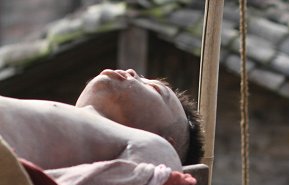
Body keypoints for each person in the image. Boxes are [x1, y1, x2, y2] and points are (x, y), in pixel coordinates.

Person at [0, 68, 204, 171]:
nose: (132, 72)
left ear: (165, 142)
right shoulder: (57, 116)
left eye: (155, 89)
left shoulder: (155, 149)